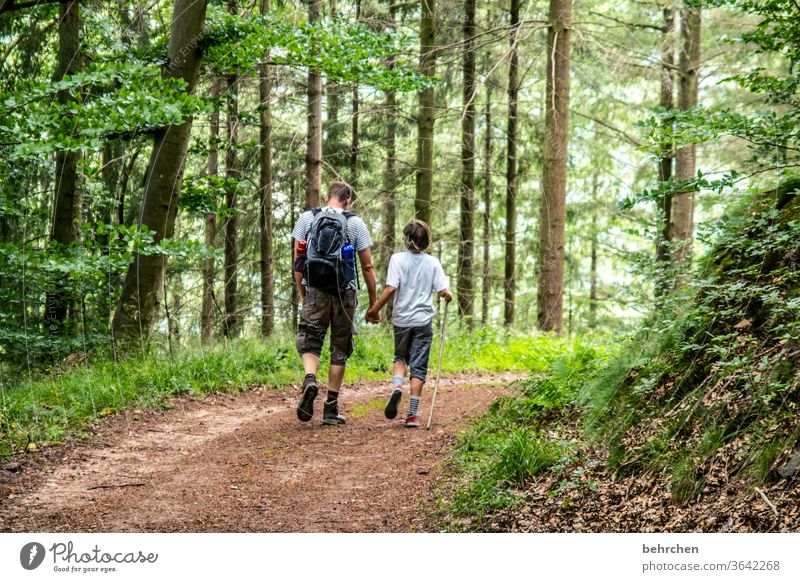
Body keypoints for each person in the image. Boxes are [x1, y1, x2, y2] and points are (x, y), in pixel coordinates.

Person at [291, 181, 378, 425]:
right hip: (344, 293)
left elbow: (298, 262)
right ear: (348, 201)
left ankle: (310, 378)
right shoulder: (355, 223)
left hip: (315, 288)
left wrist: (303, 292)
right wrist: (373, 304)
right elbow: (368, 266)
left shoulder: (307, 218)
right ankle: (330, 408)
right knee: (339, 348)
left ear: (326, 196)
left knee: (310, 338)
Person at [365, 220, 452, 427]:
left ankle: (396, 387)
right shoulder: (433, 263)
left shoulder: (397, 259)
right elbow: (442, 291)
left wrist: (374, 309)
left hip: (402, 320)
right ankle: (412, 415)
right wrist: (447, 294)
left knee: (400, 358)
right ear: (426, 241)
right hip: (423, 322)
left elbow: (391, 288)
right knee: (419, 367)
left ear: (406, 239)